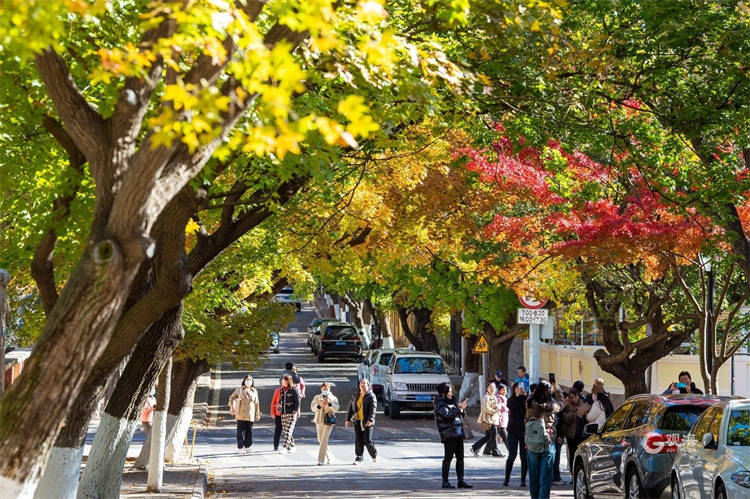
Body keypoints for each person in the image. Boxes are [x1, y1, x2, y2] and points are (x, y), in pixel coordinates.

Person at [434, 382, 473, 489]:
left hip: (458, 433)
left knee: (460, 458)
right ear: (443, 393)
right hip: (449, 435)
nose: (451, 394)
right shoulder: (440, 404)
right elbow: (447, 416)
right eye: (449, 392)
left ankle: (461, 480)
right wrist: (458, 409)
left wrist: (462, 409)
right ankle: (445, 481)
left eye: (451, 391)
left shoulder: (453, 402)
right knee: (448, 458)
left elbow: (459, 414)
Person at [525, 380, 560, 499]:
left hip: (532, 442)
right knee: (545, 477)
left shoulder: (529, 403)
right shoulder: (551, 405)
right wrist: (557, 389)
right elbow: (562, 405)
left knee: (534, 476)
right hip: (547, 441)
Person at [346, 378, 377, 465]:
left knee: (367, 440)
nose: (362, 385)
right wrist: (347, 419)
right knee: (358, 439)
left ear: (368, 386)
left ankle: (373, 453)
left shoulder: (371, 396)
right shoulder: (356, 395)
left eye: (364, 384)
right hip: (358, 421)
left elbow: (373, 409)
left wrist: (370, 420)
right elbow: (350, 408)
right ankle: (359, 457)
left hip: (367, 422)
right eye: (361, 384)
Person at [228, 375, 261, 453]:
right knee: (240, 431)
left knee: (249, 431)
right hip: (240, 414)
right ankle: (240, 447)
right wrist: (232, 407)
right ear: (244, 381)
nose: (248, 381)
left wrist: (257, 413)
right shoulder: (239, 390)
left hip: (250, 414)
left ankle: (248, 446)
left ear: (252, 382)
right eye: (247, 380)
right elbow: (231, 398)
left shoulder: (254, 391)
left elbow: (257, 403)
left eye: (250, 380)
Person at [504, 381, 528, 487]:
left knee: (524, 457)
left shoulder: (526, 400)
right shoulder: (511, 400)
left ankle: (523, 480)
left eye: (521, 387)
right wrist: (518, 396)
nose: (520, 388)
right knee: (512, 456)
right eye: (518, 387)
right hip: (513, 430)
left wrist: (525, 395)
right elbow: (512, 406)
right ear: (514, 389)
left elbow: (527, 409)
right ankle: (506, 479)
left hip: (523, 431)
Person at [311, 382, 339, 465]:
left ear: (329, 389)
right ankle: (330, 456)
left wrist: (329, 404)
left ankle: (320, 460)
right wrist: (319, 405)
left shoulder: (333, 398)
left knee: (324, 440)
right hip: (319, 420)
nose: (325, 391)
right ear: (321, 389)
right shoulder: (317, 397)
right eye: (323, 389)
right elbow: (313, 408)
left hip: (328, 421)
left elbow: (336, 408)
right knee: (320, 439)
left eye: (326, 389)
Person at [471, 383, 502, 457]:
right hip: (489, 420)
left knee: (488, 437)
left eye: (494, 388)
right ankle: (495, 452)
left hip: (493, 419)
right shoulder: (487, 397)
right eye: (490, 387)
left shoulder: (493, 396)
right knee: (493, 436)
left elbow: (496, 406)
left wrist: (497, 408)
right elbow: (486, 408)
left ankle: (474, 447)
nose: (492, 389)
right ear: (487, 388)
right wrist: (494, 410)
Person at [558, 388, 583, 479]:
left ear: (577, 396)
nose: (572, 400)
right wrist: (572, 416)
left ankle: (579, 475)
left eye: (573, 397)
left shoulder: (583, 404)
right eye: (570, 398)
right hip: (571, 435)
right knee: (572, 456)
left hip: (581, 435)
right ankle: (574, 476)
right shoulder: (567, 406)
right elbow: (563, 418)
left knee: (580, 457)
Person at [278, 373, 300, 453]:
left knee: (289, 430)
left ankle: (284, 447)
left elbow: (297, 401)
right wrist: (279, 403)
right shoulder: (282, 390)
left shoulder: (294, 390)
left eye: (283, 380)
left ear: (287, 381)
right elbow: (281, 399)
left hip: (291, 413)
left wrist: (295, 411)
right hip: (283, 412)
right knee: (286, 431)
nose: (282, 381)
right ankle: (292, 446)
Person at [495, 383, 509, 457]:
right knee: (505, 436)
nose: (505, 391)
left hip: (504, 420)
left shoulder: (504, 398)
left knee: (491, 437)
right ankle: (512, 451)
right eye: (503, 389)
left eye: (505, 389)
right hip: (500, 421)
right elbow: (499, 409)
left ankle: (486, 450)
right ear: (499, 390)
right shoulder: (499, 398)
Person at [270, 382, 283, 451]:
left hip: (288, 413)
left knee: (288, 430)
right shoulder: (278, 391)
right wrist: (273, 412)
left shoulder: (292, 390)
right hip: (278, 413)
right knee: (278, 430)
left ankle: (288, 445)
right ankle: (276, 445)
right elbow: (273, 402)